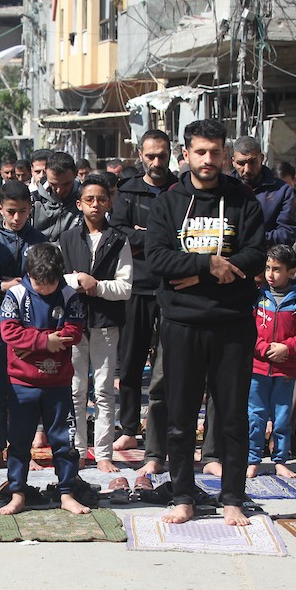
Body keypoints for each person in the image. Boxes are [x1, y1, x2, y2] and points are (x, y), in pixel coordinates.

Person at [144, 118, 266, 526]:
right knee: (180, 417)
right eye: (200, 152)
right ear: (186, 154)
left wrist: (199, 274)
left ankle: (233, 497)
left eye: (215, 152)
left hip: (232, 322)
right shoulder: (169, 202)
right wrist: (209, 265)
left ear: (225, 155)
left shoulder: (243, 200)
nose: (208, 159)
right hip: (182, 323)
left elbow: (255, 255)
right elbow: (157, 258)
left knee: (232, 416)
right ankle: (183, 496)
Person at [0, 243, 89, 516]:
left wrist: (39, 342)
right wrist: (45, 341)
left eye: (50, 284)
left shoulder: (69, 295)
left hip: (58, 383)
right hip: (22, 383)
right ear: (29, 275)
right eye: (39, 284)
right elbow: (9, 332)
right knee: (19, 441)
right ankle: (17, 491)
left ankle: (67, 491)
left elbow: (74, 331)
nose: (45, 289)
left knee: (64, 441)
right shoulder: (15, 294)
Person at [110, 129, 176, 459]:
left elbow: (182, 236)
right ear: (140, 155)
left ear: (171, 154)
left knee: (170, 362)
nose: (156, 162)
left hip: (172, 285)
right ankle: (129, 428)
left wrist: (145, 237)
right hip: (135, 285)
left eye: (162, 155)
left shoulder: (181, 189)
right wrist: (154, 239)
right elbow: (118, 232)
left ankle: (164, 427)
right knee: (131, 361)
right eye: (150, 156)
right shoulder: (127, 191)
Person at [60, 176, 132, 474]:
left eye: (101, 199)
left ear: (109, 203)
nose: (95, 205)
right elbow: (58, 279)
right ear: (79, 204)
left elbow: (125, 287)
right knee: (76, 389)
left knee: (103, 390)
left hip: (105, 322)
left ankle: (103, 452)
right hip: (74, 322)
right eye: (89, 199)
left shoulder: (118, 240)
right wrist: (78, 280)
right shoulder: (67, 238)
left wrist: (97, 286)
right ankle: (78, 450)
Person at [0, 180, 46, 467]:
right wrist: (1, 286)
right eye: (11, 211)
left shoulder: (38, 240)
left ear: (31, 209)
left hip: (31, 323)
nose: (17, 218)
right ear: (0, 208)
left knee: (27, 388)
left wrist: (26, 287)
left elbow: (48, 281)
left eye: (23, 212)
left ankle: (22, 451)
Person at [248, 245, 296, 479]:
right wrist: (263, 349)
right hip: (258, 367)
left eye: (277, 269)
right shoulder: (258, 296)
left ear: (291, 272)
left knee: (283, 416)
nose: (270, 274)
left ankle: (281, 459)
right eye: (268, 268)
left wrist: (288, 347)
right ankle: (253, 459)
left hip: (285, 368)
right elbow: (248, 330)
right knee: (255, 415)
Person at [231, 136, 296, 246]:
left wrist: (253, 239)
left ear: (262, 158)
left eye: (252, 162)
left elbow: (287, 233)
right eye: (241, 163)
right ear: (233, 162)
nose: (247, 169)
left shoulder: (282, 191)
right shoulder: (224, 189)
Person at [30, 151, 81, 242]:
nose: (59, 190)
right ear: (46, 174)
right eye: (53, 184)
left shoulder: (85, 200)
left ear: (76, 174)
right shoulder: (34, 201)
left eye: (66, 184)